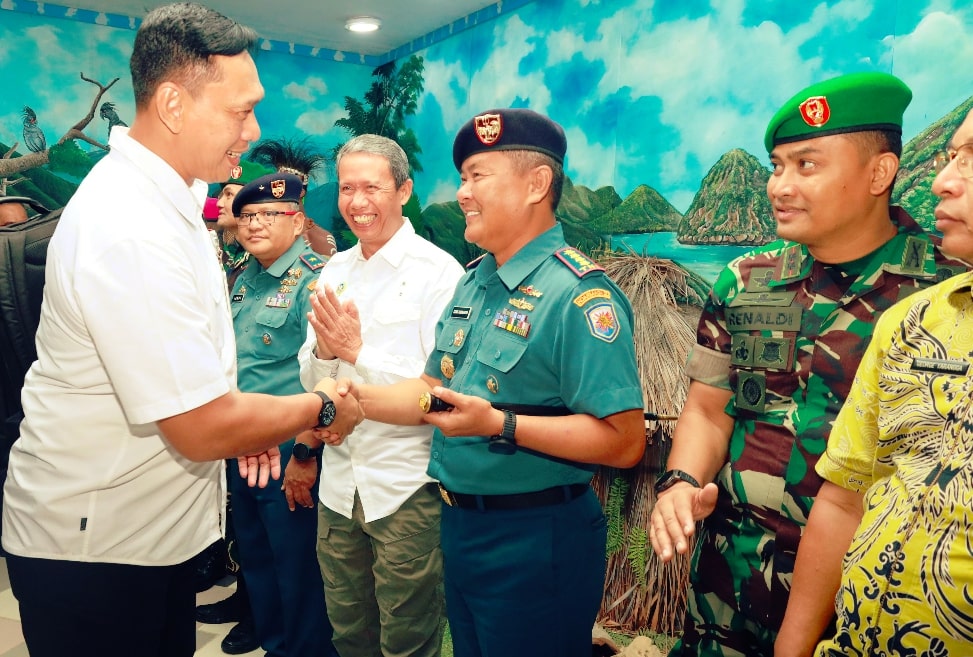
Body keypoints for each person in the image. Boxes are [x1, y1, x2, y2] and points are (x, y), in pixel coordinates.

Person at [0, 5, 360, 657]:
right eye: (239, 111)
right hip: (98, 552)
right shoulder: (130, 223)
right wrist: (324, 404)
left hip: (139, 537)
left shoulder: (169, 204)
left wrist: (247, 422)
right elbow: (197, 425)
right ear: (171, 103)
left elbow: (197, 370)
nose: (251, 132)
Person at [648, 72, 969, 657]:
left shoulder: (943, 292)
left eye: (807, 165)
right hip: (727, 575)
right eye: (777, 166)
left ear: (879, 173)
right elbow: (708, 411)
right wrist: (681, 482)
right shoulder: (747, 280)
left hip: (860, 600)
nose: (780, 186)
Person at [316, 108, 646, 657]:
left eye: (476, 176)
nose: (463, 193)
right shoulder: (476, 285)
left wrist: (502, 424)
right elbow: (430, 391)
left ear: (537, 184)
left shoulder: (579, 296)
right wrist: (350, 403)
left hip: (536, 538)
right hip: (462, 527)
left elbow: (625, 441)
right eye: (462, 178)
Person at [774, 109, 973, 657]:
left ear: (878, 175)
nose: (943, 180)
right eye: (952, 156)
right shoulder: (917, 322)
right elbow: (844, 499)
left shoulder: (922, 279)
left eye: (971, 159)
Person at [291, 134, 463, 657]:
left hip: (405, 487)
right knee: (348, 633)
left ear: (404, 190)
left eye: (372, 187)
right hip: (339, 485)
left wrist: (358, 353)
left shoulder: (440, 274)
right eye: (347, 188)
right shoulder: (335, 270)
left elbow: (441, 390)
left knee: (408, 639)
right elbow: (310, 375)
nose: (358, 202)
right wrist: (324, 352)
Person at [226, 172, 336, 657]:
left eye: (270, 214)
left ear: (298, 221)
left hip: (290, 450)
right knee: (258, 563)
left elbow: (329, 375)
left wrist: (307, 450)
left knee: (297, 571)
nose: (254, 225)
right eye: (247, 216)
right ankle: (275, 646)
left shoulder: (316, 280)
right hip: (242, 446)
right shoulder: (242, 279)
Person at [250, 136, 338, 257]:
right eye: (275, 184)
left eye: (284, 184)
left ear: (301, 191)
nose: (277, 191)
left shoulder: (320, 237)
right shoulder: (263, 230)